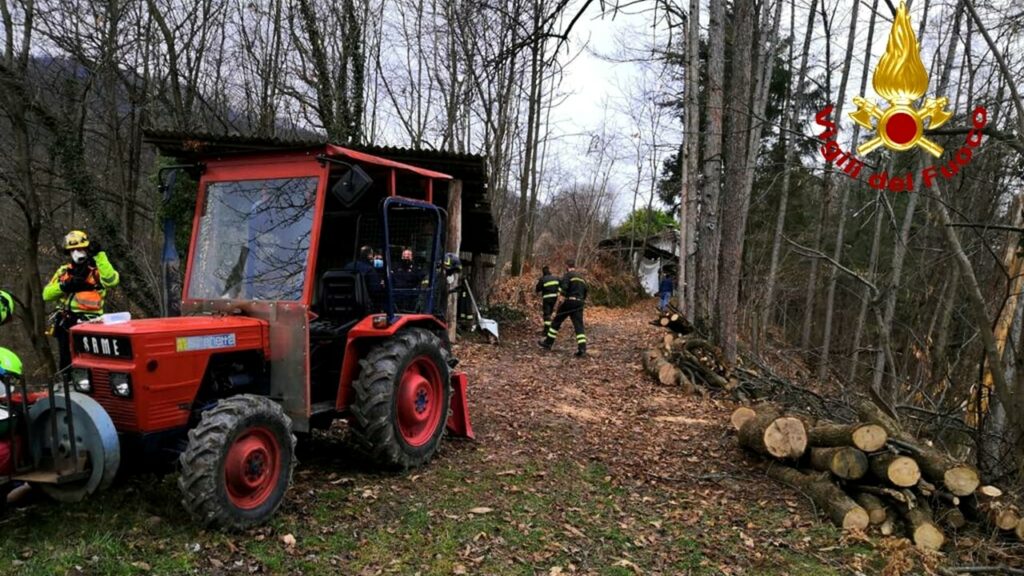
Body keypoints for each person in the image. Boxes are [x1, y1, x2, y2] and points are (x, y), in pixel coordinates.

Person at [43, 230, 119, 374]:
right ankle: (68, 385)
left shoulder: (96, 270)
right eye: (74, 250)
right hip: (66, 323)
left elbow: (112, 280)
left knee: (89, 362)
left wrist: (100, 255)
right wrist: (64, 286)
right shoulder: (64, 272)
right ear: (69, 252)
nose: (78, 252)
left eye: (81, 248)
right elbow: (46, 294)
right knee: (66, 363)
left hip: (91, 324)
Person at [539, 259, 588, 357]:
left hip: (569, 302)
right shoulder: (582, 278)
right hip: (579, 303)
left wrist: (558, 304)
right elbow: (586, 292)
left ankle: (548, 343)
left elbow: (563, 290)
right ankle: (582, 349)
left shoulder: (568, 276)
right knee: (579, 326)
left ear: (567, 267)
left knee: (556, 321)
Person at [534, 265, 561, 335]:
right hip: (554, 298)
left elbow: (537, 289)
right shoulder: (556, 278)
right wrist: (558, 292)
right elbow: (562, 285)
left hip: (547, 298)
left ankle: (546, 330)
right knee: (550, 313)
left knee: (546, 314)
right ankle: (550, 327)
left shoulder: (543, 279)